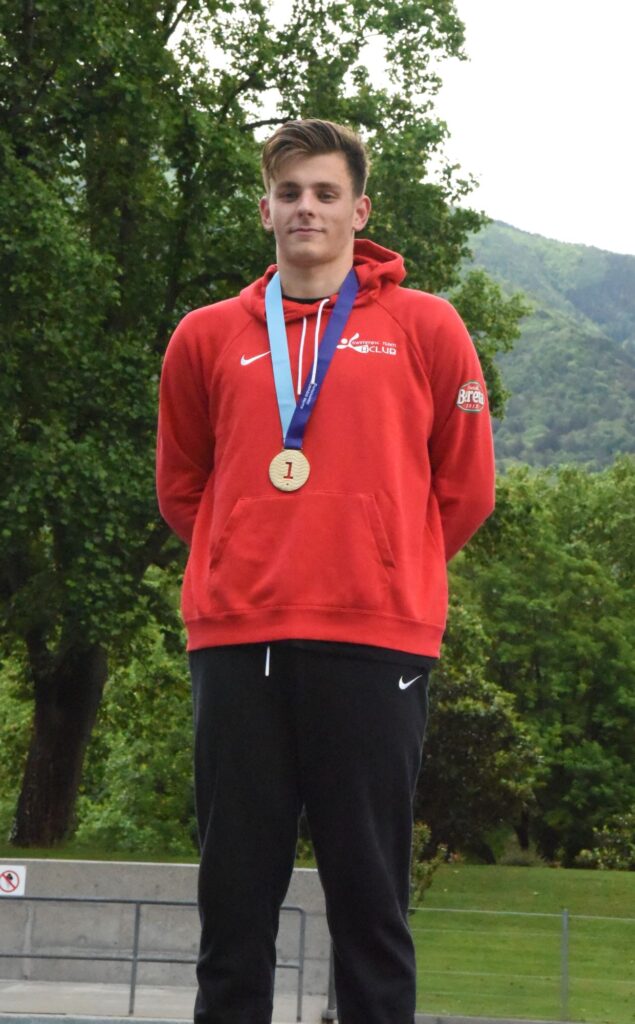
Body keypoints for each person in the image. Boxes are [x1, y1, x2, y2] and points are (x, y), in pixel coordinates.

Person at [156, 118, 495, 1024]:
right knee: (233, 903)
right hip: (238, 639)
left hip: (375, 641)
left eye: (324, 192)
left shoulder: (426, 326)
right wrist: (244, 554)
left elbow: (465, 490)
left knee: (370, 900)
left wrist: (382, 564)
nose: (306, 207)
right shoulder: (204, 336)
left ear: (359, 210)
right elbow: (183, 488)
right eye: (289, 193)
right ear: (265, 210)